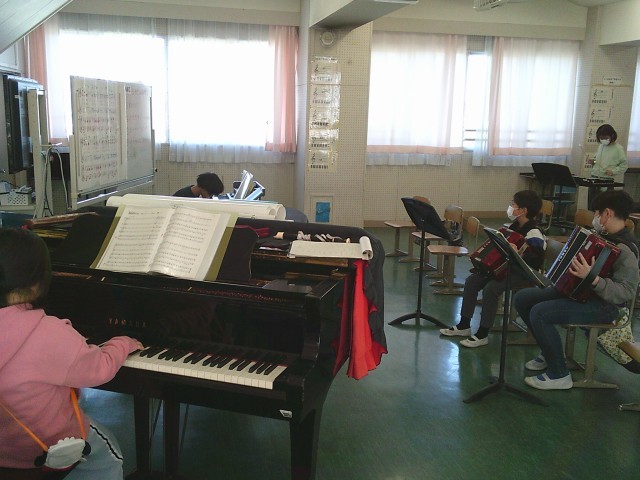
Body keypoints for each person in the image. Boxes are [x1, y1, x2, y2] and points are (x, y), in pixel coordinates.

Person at [0, 228, 143, 477]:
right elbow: (100, 368)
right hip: (50, 446)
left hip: (6, 453)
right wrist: (123, 342)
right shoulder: (49, 332)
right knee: (109, 456)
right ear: (36, 285)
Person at [514, 190, 639, 390]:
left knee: (540, 312)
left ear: (607, 213)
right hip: (580, 293)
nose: (595, 218)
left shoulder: (626, 249)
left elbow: (626, 292)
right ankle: (550, 350)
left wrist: (594, 279)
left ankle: (559, 374)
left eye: (597, 213)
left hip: (605, 307)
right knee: (523, 298)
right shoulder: (600, 236)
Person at [440, 190, 546, 348]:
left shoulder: (534, 233)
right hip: (505, 268)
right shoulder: (514, 226)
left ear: (524, 210)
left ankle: (483, 333)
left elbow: (537, 261)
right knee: (472, 281)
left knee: (491, 288)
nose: (510, 207)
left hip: (523, 273)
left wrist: (519, 254)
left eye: (513, 205)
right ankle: (464, 325)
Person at [588, 124, 627, 208]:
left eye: (605, 137)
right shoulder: (601, 146)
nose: (603, 140)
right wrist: (593, 161)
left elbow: (624, 166)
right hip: (594, 179)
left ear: (612, 136)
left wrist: (613, 171)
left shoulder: (618, 148)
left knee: (604, 207)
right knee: (592, 207)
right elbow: (597, 160)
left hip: (606, 181)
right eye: (601, 138)